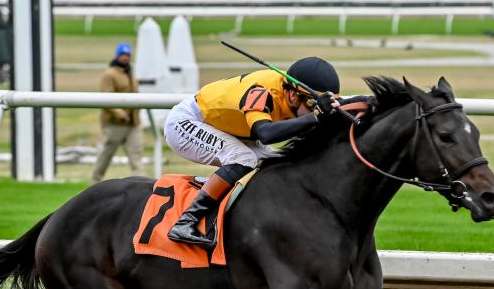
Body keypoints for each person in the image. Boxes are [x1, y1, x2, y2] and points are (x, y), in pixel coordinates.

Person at [163, 57, 346, 247]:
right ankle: (187, 221)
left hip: (227, 128)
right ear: (293, 95)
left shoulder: (292, 94)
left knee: (282, 162)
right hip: (188, 122)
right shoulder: (260, 92)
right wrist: (315, 118)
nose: (316, 110)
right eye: (313, 104)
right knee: (244, 158)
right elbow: (265, 134)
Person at [90, 42, 144, 184]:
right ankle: (95, 181)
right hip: (115, 124)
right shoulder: (109, 74)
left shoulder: (130, 72)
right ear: (117, 56)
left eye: (127, 55)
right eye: (122, 55)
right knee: (107, 155)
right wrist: (119, 113)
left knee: (136, 155)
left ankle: (142, 185)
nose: (125, 58)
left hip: (133, 123)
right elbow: (105, 97)